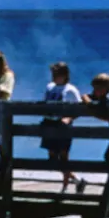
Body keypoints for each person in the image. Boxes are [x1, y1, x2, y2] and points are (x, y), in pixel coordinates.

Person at [42, 61, 85, 193]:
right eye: (53, 73)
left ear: (65, 75)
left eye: (57, 74)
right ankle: (76, 179)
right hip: (50, 123)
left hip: (63, 126)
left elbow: (79, 108)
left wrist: (69, 118)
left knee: (64, 156)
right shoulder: (50, 87)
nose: (54, 76)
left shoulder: (70, 90)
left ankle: (65, 186)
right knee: (52, 157)